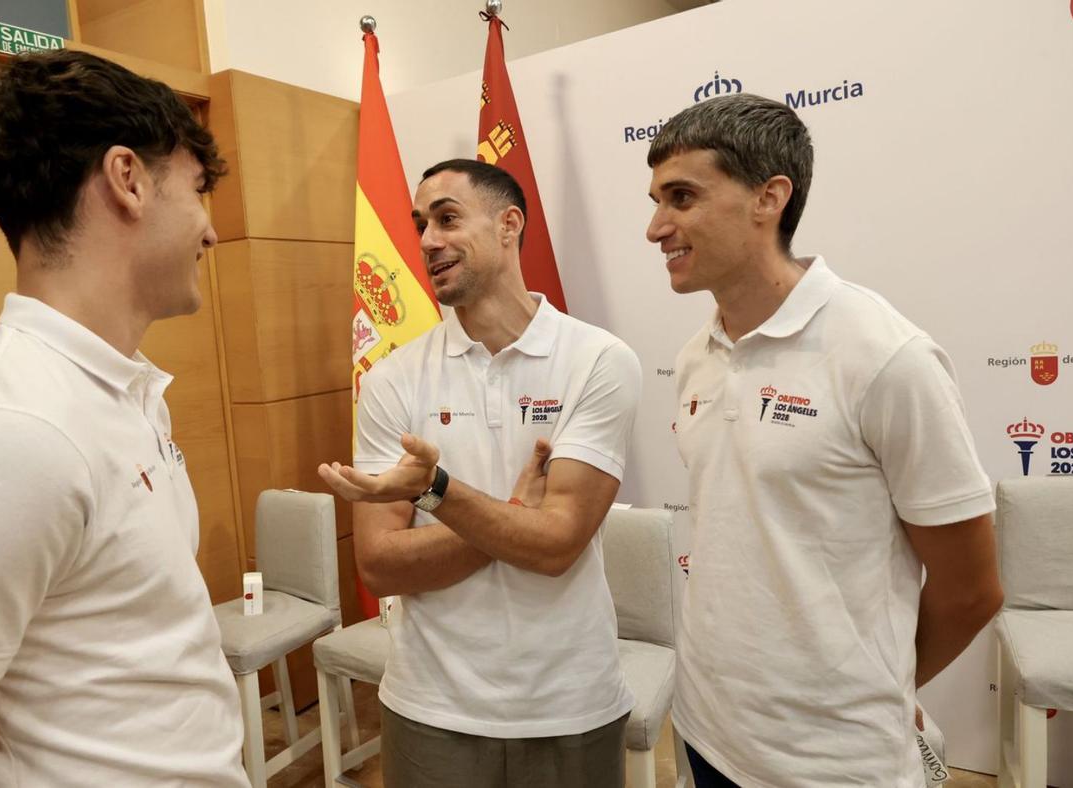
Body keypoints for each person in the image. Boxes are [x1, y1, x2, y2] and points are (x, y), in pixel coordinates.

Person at [0, 50, 247, 786]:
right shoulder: (6, 432)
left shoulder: (114, 390)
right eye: (199, 191)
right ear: (128, 179)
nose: (211, 232)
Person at [643, 93, 1004, 786]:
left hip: (835, 763)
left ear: (768, 197)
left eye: (681, 197)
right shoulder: (697, 353)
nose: (657, 226)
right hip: (704, 729)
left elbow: (971, 591)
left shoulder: (885, 356)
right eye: (657, 199)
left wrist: (860, 689)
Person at [318, 158, 641, 788]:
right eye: (420, 225)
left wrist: (436, 493)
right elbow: (381, 566)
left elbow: (557, 547)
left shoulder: (599, 360)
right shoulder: (391, 379)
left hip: (568, 702)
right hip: (429, 706)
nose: (428, 240)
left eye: (447, 218)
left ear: (508, 225)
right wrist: (514, 516)